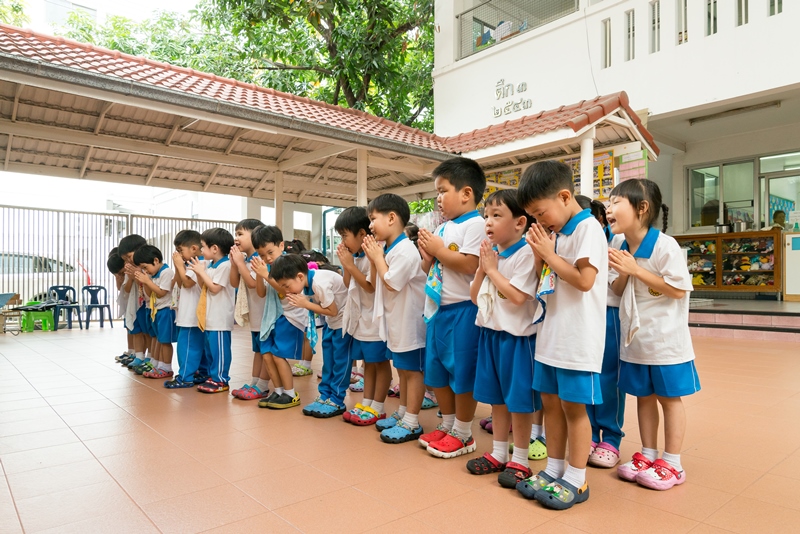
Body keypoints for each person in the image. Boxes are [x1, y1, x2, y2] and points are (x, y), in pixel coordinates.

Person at [515, 160, 607, 510]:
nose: (539, 222)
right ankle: (553, 469)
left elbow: (585, 281)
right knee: (550, 404)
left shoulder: (587, 230)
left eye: (541, 213)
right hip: (551, 334)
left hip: (577, 338)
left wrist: (550, 254)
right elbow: (546, 280)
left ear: (565, 196)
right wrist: (542, 255)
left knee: (574, 408)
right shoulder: (559, 232)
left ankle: (576, 477)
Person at [606, 179, 700, 491]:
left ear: (642, 208)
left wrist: (635, 270)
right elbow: (618, 290)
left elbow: (677, 289)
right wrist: (622, 271)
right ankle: (647, 455)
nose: (609, 208)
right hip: (636, 341)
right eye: (609, 202)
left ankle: (672, 463)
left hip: (665, 341)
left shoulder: (665, 245)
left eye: (616, 201)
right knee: (643, 398)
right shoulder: (621, 246)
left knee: (669, 399)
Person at [466, 189, 545, 488]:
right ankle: (499, 453)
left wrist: (491, 270)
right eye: (486, 215)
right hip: (490, 334)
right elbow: (475, 297)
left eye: (497, 215)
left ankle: (521, 460)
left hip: (517, 340)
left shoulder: (525, 253)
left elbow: (516, 297)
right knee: (497, 400)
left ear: (520, 223)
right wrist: (482, 270)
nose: (488, 221)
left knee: (519, 402)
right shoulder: (493, 255)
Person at [416, 157, 486, 459]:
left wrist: (437, 250)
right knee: (437, 373)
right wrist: (428, 254)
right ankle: (446, 423)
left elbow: (470, 263)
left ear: (466, 194)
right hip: (437, 310)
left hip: (462, 310)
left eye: (443, 191)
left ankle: (463, 431)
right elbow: (428, 267)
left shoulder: (476, 223)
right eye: (437, 192)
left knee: (462, 373)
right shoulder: (444, 228)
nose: (438, 198)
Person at [363, 194, 427, 444]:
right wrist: (375, 258)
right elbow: (376, 279)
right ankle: (402, 413)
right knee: (402, 369)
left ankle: (412, 421)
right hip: (397, 321)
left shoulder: (406, 250)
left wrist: (377, 258)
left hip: (410, 323)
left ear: (391, 218)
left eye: (373, 218)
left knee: (413, 371)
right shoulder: (390, 248)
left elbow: (392, 283)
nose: (370, 225)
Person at [270, 254, 350, 417]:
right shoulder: (307, 282)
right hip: (332, 322)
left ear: (300, 276)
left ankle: (336, 400)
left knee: (340, 363)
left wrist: (306, 304)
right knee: (328, 362)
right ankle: (324, 396)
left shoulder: (319, 283)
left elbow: (333, 310)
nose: (285, 291)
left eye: (286, 286)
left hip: (344, 324)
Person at [335, 206, 391, 426]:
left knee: (380, 363)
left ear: (361, 234)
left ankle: (378, 406)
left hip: (376, 319)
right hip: (362, 321)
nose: (343, 241)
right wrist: (346, 265)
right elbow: (348, 284)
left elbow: (370, 287)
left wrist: (349, 264)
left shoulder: (374, 255)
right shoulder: (356, 256)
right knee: (368, 362)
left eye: (344, 236)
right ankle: (367, 401)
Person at [587, 200, 625, 468]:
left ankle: (611, 437)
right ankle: (588, 433)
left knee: (609, 377)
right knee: (585, 373)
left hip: (609, 313)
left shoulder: (618, 240)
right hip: (584, 314)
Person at [251, 225, 307, 409]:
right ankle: (279, 391)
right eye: (262, 254)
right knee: (267, 354)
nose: (267, 258)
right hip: (272, 319)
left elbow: (285, 292)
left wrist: (266, 275)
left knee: (278, 355)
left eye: (270, 252)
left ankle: (290, 394)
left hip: (289, 317)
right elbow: (261, 293)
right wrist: (260, 275)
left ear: (281, 245)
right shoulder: (266, 268)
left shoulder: (287, 264)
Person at [187, 228, 236, 394]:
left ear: (214, 248)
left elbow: (215, 288)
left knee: (219, 350)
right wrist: (200, 274)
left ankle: (221, 379)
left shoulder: (226, 265)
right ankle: (212, 376)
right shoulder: (211, 265)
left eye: (203, 247)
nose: (201, 250)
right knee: (210, 349)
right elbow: (204, 287)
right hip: (210, 317)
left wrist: (201, 272)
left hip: (220, 318)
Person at [229, 218, 273, 400]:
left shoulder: (259, 259)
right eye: (236, 233)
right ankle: (255, 382)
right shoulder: (245, 260)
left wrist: (240, 264)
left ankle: (262, 386)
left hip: (265, 313)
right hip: (256, 315)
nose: (236, 238)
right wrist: (235, 263)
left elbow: (254, 284)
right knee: (258, 350)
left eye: (240, 234)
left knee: (266, 351)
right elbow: (234, 283)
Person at [165, 230, 209, 388]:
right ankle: (200, 373)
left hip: (191, 314)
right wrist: (179, 266)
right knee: (197, 346)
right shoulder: (189, 264)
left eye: (181, 250)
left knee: (187, 346)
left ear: (194, 248)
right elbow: (178, 281)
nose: (179, 254)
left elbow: (188, 283)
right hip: (189, 312)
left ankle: (185, 377)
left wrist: (179, 265)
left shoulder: (198, 264)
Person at [133, 245, 177, 379]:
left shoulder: (166, 272)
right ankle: (156, 363)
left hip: (165, 310)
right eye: (143, 268)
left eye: (146, 267)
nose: (145, 270)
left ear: (156, 260)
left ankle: (166, 367)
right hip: (155, 310)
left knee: (165, 341)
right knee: (157, 338)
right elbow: (149, 294)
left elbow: (161, 292)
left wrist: (147, 280)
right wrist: (145, 282)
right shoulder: (152, 274)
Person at [118, 234, 152, 371]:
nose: (128, 261)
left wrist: (138, 276)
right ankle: (139, 356)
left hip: (146, 304)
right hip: (135, 305)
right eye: (125, 259)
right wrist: (130, 278)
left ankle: (150, 357)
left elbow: (149, 286)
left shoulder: (148, 266)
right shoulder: (129, 269)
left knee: (148, 332)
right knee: (136, 330)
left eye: (129, 256)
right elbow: (126, 289)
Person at [108, 248, 135, 365]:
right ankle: (131, 351)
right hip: (127, 303)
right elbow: (120, 288)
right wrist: (118, 278)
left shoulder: (130, 271)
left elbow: (128, 289)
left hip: (135, 302)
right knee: (129, 328)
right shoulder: (120, 272)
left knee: (137, 330)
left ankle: (136, 354)